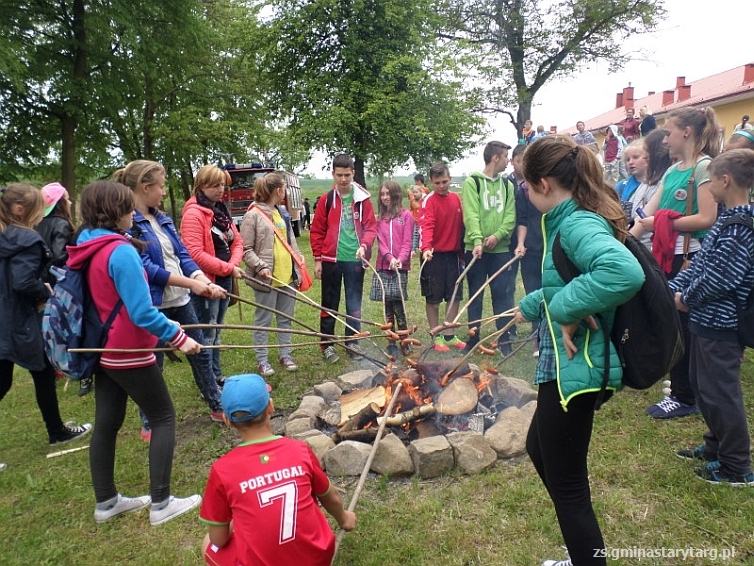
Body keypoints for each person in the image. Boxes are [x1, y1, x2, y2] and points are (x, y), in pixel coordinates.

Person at [514, 136, 644, 566]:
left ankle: (587, 558)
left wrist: (567, 308)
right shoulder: (567, 218)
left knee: (569, 487)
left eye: (526, 186)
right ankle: (582, 552)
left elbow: (622, 272)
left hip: (578, 364)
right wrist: (531, 306)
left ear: (544, 184)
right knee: (539, 448)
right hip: (565, 363)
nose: (526, 195)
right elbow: (565, 282)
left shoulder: (576, 224)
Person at [68, 180, 203, 525]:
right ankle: (161, 504)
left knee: (107, 423)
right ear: (115, 212)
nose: (133, 213)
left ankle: (107, 502)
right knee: (163, 417)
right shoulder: (121, 251)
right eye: (128, 208)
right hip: (128, 348)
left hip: (103, 347)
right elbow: (142, 312)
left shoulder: (87, 242)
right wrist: (177, 336)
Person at [115, 160, 226, 440]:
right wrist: (192, 283)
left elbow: (182, 256)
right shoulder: (129, 225)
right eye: (161, 186)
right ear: (145, 187)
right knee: (153, 363)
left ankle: (216, 404)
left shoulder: (162, 218)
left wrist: (201, 279)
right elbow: (148, 270)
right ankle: (150, 421)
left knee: (199, 351)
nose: (164, 192)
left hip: (180, 298)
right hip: (153, 304)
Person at [199, 374, 356, 566]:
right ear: (271, 407)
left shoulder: (222, 470)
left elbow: (218, 539)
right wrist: (344, 518)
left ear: (227, 420)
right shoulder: (300, 450)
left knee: (208, 544)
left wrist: (234, 524)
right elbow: (330, 497)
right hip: (318, 556)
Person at [671, 149, 754, 486]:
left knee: (721, 393)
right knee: (705, 389)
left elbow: (722, 279)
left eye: (710, 181)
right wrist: (671, 288)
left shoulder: (740, 228)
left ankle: (737, 467)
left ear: (725, 180)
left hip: (722, 326)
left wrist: (686, 299)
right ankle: (715, 447)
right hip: (705, 322)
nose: (708, 187)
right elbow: (702, 265)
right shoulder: (726, 220)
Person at [631, 107, 720, 419]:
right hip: (667, 256)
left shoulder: (704, 167)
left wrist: (661, 222)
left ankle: (685, 396)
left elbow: (708, 218)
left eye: (668, 132)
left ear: (687, 132)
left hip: (690, 257)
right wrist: (632, 235)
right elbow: (648, 215)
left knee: (684, 325)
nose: (664, 139)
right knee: (674, 323)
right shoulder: (672, 170)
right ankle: (684, 387)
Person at [0, 184, 92, 470]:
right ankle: (56, 431)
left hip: (11, 319)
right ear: (20, 210)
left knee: (42, 370)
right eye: (39, 209)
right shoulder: (26, 239)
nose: (42, 215)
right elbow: (24, 282)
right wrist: (48, 290)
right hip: (16, 322)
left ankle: (56, 430)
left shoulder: (6, 236)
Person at [310, 153, 377, 363]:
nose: (343, 179)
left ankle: (353, 341)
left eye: (347, 175)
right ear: (333, 174)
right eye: (339, 175)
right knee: (329, 302)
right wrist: (318, 259)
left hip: (356, 260)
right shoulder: (326, 200)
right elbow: (317, 230)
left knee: (353, 303)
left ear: (353, 173)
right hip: (331, 259)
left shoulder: (363, 199)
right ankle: (327, 344)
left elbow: (371, 228)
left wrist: (364, 246)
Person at [182, 165, 245, 384]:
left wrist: (233, 263)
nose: (220, 190)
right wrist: (228, 268)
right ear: (201, 186)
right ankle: (208, 379)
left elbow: (237, 241)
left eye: (221, 185)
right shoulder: (193, 214)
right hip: (206, 283)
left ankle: (215, 374)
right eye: (214, 185)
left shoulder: (220, 209)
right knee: (207, 332)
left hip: (224, 278)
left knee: (217, 329)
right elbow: (195, 254)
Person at [240, 172, 303, 376]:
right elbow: (245, 249)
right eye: (284, 188)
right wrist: (260, 267)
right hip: (267, 279)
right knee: (263, 321)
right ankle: (262, 360)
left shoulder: (282, 212)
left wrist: (299, 260)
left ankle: (285, 355)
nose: (285, 191)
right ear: (279, 190)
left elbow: (290, 240)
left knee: (285, 319)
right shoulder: (253, 215)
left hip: (286, 276)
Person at [462, 141, 518, 355]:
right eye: (505, 157)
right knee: (475, 295)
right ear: (495, 158)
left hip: (500, 251)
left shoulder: (507, 185)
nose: (507, 161)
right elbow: (471, 214)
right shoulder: (472, 183)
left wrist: (498, 235)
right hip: (476, 251)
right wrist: (477, 240)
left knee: (502, 295)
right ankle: (473, 339)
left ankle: (503, 340)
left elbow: (510, 216)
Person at [36, 183, 89, 396]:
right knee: (75, 326)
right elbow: (60, 255)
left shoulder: (36, 224)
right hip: (62, 283)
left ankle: (57, 365)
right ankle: (84, 375)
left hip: (43, 284)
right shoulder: (61, 224)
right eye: (66, 199)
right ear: (59, 203)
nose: (70, 202)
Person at [419, 162, 467, 351]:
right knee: (433, 298)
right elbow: (426, 225)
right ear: (431, 181)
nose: (441, 185)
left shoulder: (456, 199)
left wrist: (463, 252)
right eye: (437, 182)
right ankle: (435, 335)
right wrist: (426, 248)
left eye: (445, 181)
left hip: (453, 255)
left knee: (454, 296)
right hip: (433, 255)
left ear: (450, 179)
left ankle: (449, 334)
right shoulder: (428, 201)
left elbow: (463, 226)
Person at [372, 180, 414, 358]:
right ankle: (391, 341)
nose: (385, 197)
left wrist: (399, 259)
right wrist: (389, 257)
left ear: (396, 195)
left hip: (400, 267)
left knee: (398, 304)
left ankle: (404, 339)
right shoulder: (380, 218)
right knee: (386, 304)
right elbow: (381, 242)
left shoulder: (406, 216)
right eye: (382, 194)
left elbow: (407, 241)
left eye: (388, 194)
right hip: (383, 266)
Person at [509, 143, 544, 357]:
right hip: (530, 249)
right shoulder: (522, 191)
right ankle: (536, 338)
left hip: (549, 247)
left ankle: (545, 337)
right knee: (533, 291)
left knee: (549, 290)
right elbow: (521, 219)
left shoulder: (543, 183)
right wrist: (521, 243)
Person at [625, 129, 671, 249]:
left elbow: (643, 221)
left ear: (657, 153)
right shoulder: (647, 181)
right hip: (637, 243)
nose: (645, 156)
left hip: (648, 247)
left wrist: (626, 244)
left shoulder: (663, 182)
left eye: (647, 151)